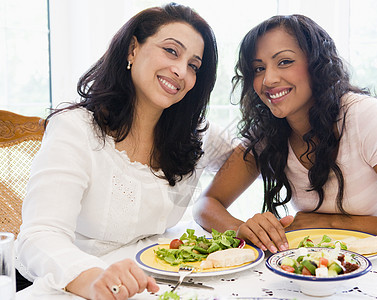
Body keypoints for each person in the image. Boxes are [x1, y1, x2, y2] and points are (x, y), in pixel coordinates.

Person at [15, 3, 234, 299]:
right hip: (82, 287)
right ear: (132, 50)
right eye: (171, 51)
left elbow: (258, 155)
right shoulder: (76, 128)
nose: (181, 70)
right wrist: (94, 279)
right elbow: (39, 236)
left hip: (160, 287)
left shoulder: (194, 135)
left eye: (194, 65)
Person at [193, 14, 377, 254]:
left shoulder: (363, 116)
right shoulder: (268, 130)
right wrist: (242, 230)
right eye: (258, 68)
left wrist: (332, 224)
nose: (268, 79)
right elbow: (206, 205)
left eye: (284, 62)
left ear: (316, 64)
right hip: (321, 265)